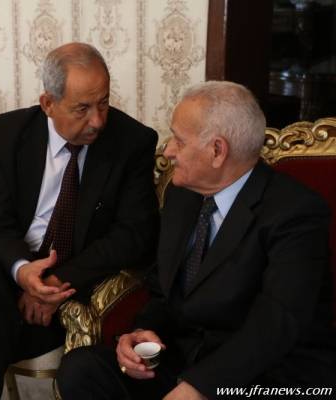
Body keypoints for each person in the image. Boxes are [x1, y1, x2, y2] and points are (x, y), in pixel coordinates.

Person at [57, 80, 336, 399]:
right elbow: (162, 290)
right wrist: (139, 334)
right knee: (83, 368)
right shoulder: (182, 195)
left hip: (264, 373)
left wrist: (201, 386)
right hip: (185, 357)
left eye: (179, 140)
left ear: (217, 151)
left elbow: (277, 324)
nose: (168, 151)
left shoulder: (295, 211)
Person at [0, 42, 159, 399]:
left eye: (103, 103)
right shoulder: (9, 133)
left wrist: (55, 283)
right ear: (48, 104)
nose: (98, 120)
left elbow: (135, 235)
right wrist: (23, 272)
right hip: (8, 275)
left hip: (76, 282)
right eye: (82, 109)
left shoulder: (132, 141)